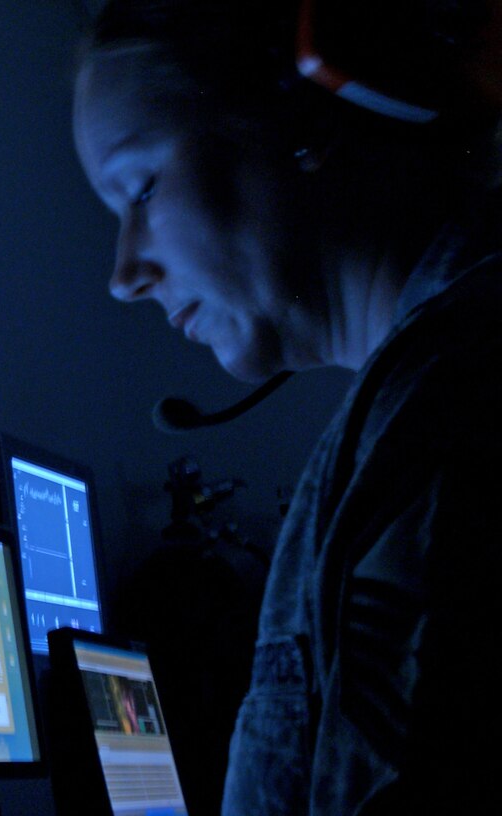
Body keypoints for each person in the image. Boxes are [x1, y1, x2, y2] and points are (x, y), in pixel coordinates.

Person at [73, 1, 502, 814]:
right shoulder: (412, 409)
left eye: (141, 187)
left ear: (298, 117)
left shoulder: (442, 420)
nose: (123, 273)